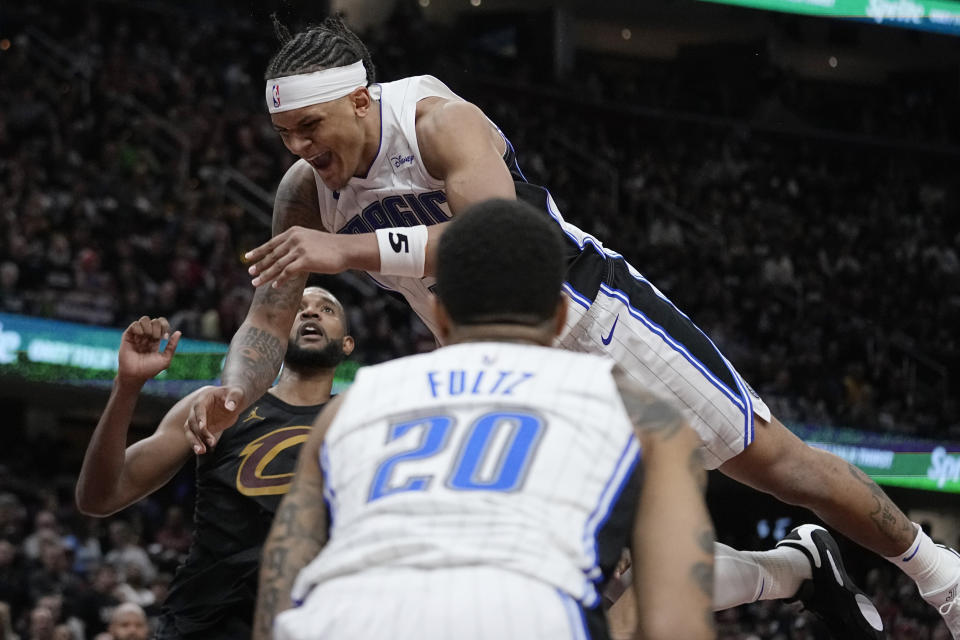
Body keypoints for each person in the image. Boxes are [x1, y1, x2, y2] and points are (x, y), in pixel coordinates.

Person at [185, 16, 957, 638]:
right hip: (484, 355)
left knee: (777, 466)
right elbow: (270, 313)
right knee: (594, 577)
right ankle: (794, 572)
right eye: (285, 133)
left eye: (310, 127)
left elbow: (498, 232)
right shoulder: (302, 191)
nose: (299, 148)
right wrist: (233, 391)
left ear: (361, 100)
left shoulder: (437, 123)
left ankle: (939, 577)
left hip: (592, 316)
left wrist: (346, 247)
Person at [252, 199, 716, 640]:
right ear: (558, 316)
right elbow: (673, 625)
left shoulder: (352, 405)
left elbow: (285, 565)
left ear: (441, 314)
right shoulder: (642, 415)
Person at [76, 286, 354, 639]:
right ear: (277, 328)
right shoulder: (215, 406)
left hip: (310, 619)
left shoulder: (358, 417)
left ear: (347, 344)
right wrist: (127, 386)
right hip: (205, 622)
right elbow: (99, 497)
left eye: (326, 309)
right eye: (299, 308)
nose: (311, 313)